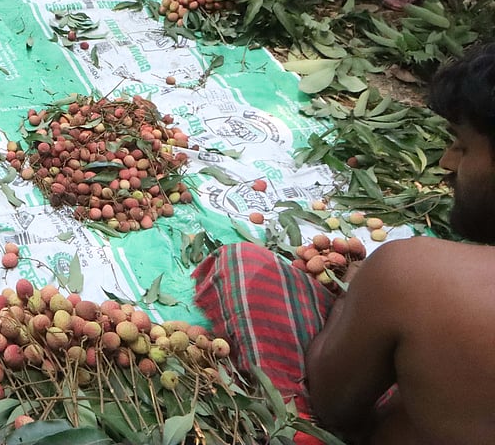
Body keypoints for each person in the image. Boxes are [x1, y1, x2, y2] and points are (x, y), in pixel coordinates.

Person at [193, 41, 495, 444]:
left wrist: (356, 294)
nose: (447, 163)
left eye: (462, 145)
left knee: (244, 265)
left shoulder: (417, 273)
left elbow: (334, 403)